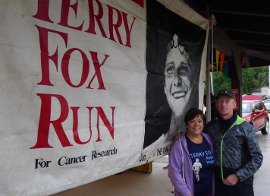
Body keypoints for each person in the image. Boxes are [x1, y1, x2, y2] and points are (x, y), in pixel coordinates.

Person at [205, 89, 263, 196]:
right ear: (216, 105)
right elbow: (195, 135)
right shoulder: (211, 127)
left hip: (241, 185)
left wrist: (238, 176)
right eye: (220, 101)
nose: (223, 104)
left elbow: (257, 158)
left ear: (234, 104)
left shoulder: (245, 128)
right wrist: (180, 136)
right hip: (219, 184)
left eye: (227, 101)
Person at [169, 108, 215, 196]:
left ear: (203, 123)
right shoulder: (180, 144)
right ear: (186, 124)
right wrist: (186, 193)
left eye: (200, 121)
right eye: (192, 121)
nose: (196, 124)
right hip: (190, 193)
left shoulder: (208, 139)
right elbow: (173, 172)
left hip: (209, 190)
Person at [164, 34, 197, 142]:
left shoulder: (202, 134)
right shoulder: (157, 143)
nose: (177, 81)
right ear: (164, 85)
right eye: (170, 70)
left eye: (183, 69)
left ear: (193, 81)